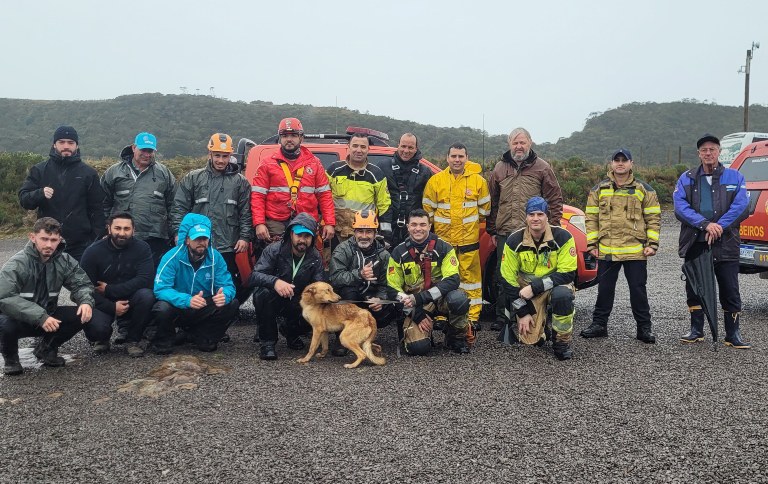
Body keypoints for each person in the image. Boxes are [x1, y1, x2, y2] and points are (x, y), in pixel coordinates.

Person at [674, 134, 750, 349]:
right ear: (698, 153)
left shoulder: (735, 177)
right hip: (695, 242)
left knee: (730, 288)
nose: (708, 153)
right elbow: (680, 207)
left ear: (719, 152)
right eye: (704, 150)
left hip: (726, 242)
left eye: (712, 149)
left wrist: (719, 227)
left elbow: (741, 206)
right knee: (695, 287)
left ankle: (732, 335)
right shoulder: (686, 178)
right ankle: (696, 330)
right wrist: (705, 224)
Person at [486, 127, 564, 331]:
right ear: (509, 144)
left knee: (534, 274)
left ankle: (538, 313)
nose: (519, 146)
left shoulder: (542, 167)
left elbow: (554, 199)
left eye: (523, 142)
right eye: (515, 142)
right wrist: (492, 230)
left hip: (533, 233)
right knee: (503, 276)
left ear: (530, 142)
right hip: (506, 232)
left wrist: (552, 228)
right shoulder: (499, 168)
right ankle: (503, 317)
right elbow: (492, 202)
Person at [580, 148, 661, 343]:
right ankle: (599, 325)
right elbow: (591, 218)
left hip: (635, 251)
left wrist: (653, 244)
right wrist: (592, 244)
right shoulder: (598, 190)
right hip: (607, 250)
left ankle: (644, 328)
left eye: (624, 160)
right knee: (604, 290)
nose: (620, 163)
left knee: (638, 290)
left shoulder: (644, 190)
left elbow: (653, 218)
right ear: (611, 164)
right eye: (617, 160)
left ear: (631, 164)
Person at [0, 217, 96, 375]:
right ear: (33, 237)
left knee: (82, 314)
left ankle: (46, 349)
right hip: (18, 319)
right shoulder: (17, 264)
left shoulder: (64, 261)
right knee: (5, 323)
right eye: (44, 239)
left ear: (60, 240)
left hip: (48, 317)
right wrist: (40, 316)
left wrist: (85, 301)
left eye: (53, 240)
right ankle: (11, 359)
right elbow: (4, 297)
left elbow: (82, 284)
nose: (49, 245)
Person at [171, 133, 253, 306]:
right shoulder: (193, 178)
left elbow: (245, 213)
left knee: (222, 286)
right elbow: (179, 208)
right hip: (196, 243)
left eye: (225, 156)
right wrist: (179, 233)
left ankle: (217, 327)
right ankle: (190, 322)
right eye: (217, 155)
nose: (221, 160)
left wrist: (245, 237)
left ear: (231, 156)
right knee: (193, 283)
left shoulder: (240, 182)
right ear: (209, 154)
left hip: (227, 245)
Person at [422, 142, 490, 337]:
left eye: (461, 156)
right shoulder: (436, 181)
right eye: (454, 156)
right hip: (444, 242)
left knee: (471, 280)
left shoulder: (478, 181)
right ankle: (443, 315)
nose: (457, 160)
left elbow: (485, 211)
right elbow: (428, 212)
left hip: (469, 239)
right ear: (447, 158)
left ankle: (472, 318)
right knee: (444, 278)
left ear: (466, 158)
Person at [500, 197, 576, 360]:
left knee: (563, 296)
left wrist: (535, 287)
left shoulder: (563, 237)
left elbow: (568, 273)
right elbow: (507, 280)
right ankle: (542, 331)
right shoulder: (514, 240)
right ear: (526, 217)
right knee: (530, 341)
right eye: (531, 214)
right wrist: (522, 312)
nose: (536, 218)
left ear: (547, 216)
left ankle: (561, 342)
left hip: (552, 287)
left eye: (540, 214)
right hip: (527, 293)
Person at [150, 213, 238, 354]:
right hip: (178, 306)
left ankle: (202, 337)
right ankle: (164, 341)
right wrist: (187, 300)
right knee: (161, 308)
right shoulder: (172, 257)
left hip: (202, 306)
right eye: (197, 238)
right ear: (187, 240)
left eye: (204, 238)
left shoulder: (216, 257)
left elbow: (228, 286)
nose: (201, 242)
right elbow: (161, 289)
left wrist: (225, 295)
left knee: (231, 304)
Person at [387, 209, 470, 355]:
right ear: (407, 227)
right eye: (413, 224)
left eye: (422, 224)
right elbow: (392, 288)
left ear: (429, 226)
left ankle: (456, 337)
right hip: (414, 305)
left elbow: (452, 280)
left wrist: (423, 297)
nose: (418, 228)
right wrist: (415, 313)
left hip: (438, 299)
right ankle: (424, 334)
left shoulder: (444, 248)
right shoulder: (398, 252)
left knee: (459, 299)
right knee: (418, 349)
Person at [18, 126, 105, 262]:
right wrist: (39, 193)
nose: (66, 146)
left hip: (80, 246)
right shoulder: (40, 170)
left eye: (70, 143)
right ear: (54, 144)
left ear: (76, 145)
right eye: (62, 142)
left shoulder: (89, 173)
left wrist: (94, 241)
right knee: (47, 283)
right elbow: (24, 200)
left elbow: (97, 209)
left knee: (82, 283)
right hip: (48, 243)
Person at [248, 213, 325, 360]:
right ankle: (268, 343)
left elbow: (319, 283)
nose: (302, 240)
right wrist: (275, 282)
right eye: (299, 235)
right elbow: (254, 276)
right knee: (262, 294)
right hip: (275, 296)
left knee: (318, 306)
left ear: (312, 238)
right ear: (291, 234)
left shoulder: (315, 256)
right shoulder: (273, 250)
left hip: (298, 299)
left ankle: (291, 332)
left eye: (307, 236)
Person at [80, 212, 155, 357]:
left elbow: (146, 279)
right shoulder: (93, 252)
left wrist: (110, 289)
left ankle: (133, 339)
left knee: (147, 296)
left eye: (126, 229)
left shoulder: (142, 248)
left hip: (129, 298)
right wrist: (111, 306)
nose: (122, 233)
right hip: (103, 301)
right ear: (109, 229)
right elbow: (83, 288)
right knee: (95, 323)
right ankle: (101, 338)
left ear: (133, 230)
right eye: (117, 228)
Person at [251, 117, 335, 243]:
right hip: (276, 223)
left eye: (294, 135)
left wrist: (329, 223)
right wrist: (259, 223)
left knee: (306, 260)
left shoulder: (314, 163)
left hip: (306, 221)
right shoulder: (267, 164)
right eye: (285, 135)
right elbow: (257, 196)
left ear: (301, 137)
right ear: (280, 138)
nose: (289, 139)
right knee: (274, 259)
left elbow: (324, 196)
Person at [101, 132, 176, 268]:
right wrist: (105, 229)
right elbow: (103, 203)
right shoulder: (114, 172)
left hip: (155, 238)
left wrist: (175, 233)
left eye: (150, 151)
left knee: (150, 279)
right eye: (143, 150)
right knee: (120, 275)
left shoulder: (164, 173)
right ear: (134, 147)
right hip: (120, 237)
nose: (147, 154)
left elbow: (174, 206)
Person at [328, 209, 394, 356]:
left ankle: (371, 337)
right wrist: (359, 274)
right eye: (360, 231)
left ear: (375, 233)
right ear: (354, 231)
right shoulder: (343, 249)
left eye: (368, 232)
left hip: (372, 301)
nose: (364, 236)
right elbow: (334, 278)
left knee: (395, 304)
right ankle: (342, 338)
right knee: (346, 292)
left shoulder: (384, 255)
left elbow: (389, 283)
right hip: (352, 300)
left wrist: (381, 299)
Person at [327, 133, 392, 254]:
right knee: (335, 266)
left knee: (362, 268)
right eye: (355, 146)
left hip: (363, 233)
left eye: (363, 147)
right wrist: (326, 224)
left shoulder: (376, 174)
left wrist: (386, 235)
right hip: (335, 232)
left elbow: (385, 206)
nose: (359, 150)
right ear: (349, 147)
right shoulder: (334, 170)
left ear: (368, 149)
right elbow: (323, 199)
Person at [378, 133, 433, 247]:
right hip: (387, 229)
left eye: (410, 147)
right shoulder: (383, 166)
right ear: (398, 145)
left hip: (413, 231)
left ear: (416, 149)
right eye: (403, 146)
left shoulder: (425, 172)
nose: (406, 151)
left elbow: (429, 203)